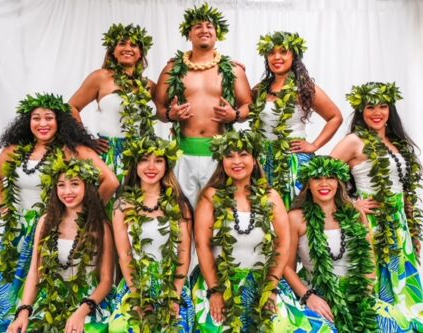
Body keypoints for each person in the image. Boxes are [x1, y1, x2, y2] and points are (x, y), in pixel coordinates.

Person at [0, 93, 118, 332]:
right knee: (12, 289)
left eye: (49, 118)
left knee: (50, 279)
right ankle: (19, 314)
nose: (42, 124)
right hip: (20, 231)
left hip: (55, 228)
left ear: (60, 121)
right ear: (27, 122)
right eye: (36, 118)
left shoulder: (73, 151)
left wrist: (85, 216)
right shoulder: (16, 150)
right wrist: (3, 206)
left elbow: (110, 181)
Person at [193, 130, 336, 332]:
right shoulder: (211, 196)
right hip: (222, 282)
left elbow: (283, 244)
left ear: (254, 158)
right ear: (221, 160)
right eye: (230, 156)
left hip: (263, 282)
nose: (236, 162)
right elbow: (202, 244)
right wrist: (214, 290)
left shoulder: (270, 196)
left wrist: (271, 287)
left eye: (243, 155)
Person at [285, 155, 423, 332]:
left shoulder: (356, 215)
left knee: (398, 324)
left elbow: (369, 264)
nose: (324, 183)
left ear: (339, 182)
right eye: (317, 178)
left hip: (356, 296)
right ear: (308, 184)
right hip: (317, 294)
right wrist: (309, 297)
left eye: (331, 178)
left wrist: (361, 298)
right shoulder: (296, 218)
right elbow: (286, 267)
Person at [330, 82, 423, 319]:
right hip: (371, 224)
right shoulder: (354, 141)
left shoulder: (396, 142)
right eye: (370, 107)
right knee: (375, 284)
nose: (377, 112)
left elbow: (403, 188)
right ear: (361, 111)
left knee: (403, 288)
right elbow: (323, 173)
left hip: (398, 225)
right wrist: (352, 202)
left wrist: (412, 230)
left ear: (390, 110)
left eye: (383, 106)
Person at [154, 3, 252, 209]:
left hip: (219, 154)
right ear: (189, 34)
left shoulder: (233, 70)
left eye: (209, 26)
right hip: (183, 152)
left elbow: (249, 106)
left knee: (217, 212)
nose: (204, 30)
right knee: (183, 212)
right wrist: (170, 115)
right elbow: (159, 110)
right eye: (197, 26)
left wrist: (233, 115)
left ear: (217, 34)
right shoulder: (172, 68)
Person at [7, 157, 114, 333]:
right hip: (51, 300)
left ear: (87, 186)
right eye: (61, 185)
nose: (67, 191)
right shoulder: (46, 221)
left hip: (90, 302)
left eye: (74, 184)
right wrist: (24, 312)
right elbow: (35, 272)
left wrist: (80, 313)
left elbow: (107, 280)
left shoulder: (100, 226)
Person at [108, 136, 194, 332]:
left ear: (166, 165)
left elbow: (184, 252)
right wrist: (137, 296)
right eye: (144, 159)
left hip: (172, 284)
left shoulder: (179, 205)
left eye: (158, 160)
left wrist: (174, 296)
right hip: (135, 284)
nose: (151, 166)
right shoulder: (122, 206)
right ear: (135, 165)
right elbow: (125, 255)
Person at [250, 31, 342, 210]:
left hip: (294, 161)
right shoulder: (260, 89)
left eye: (283, 51)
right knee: (267, 212)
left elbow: (335, 117)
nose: (276, 57)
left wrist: (314, 145)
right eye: (271, 53)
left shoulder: (304, 88)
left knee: (295, 210)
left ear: (294, 56)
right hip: (263, 160)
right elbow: (243, 110)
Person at [69, 23, 156, 184]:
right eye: (122, 43)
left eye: (134, 45)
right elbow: (71, 107)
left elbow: (165, 112)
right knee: (107, 202)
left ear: (140, 54)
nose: (127, 48)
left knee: (133, 203)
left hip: (138, 154)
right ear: (113, 51)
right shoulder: (100, 77)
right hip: (108, 152)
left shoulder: (148, 85)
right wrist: (86, 140)